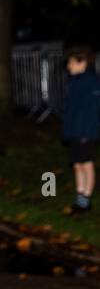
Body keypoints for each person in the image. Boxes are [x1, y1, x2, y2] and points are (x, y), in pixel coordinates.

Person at [61, 44, 98, 215]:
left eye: (71, 62)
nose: (68, 66)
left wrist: (87, 132)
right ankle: (79, 199)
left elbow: (93, 110)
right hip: (74, 131)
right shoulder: (74, 81)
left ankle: (86, 201)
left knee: (87, 164)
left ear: (82, 62)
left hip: (86, 132)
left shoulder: (92, 82)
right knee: (77, 165)